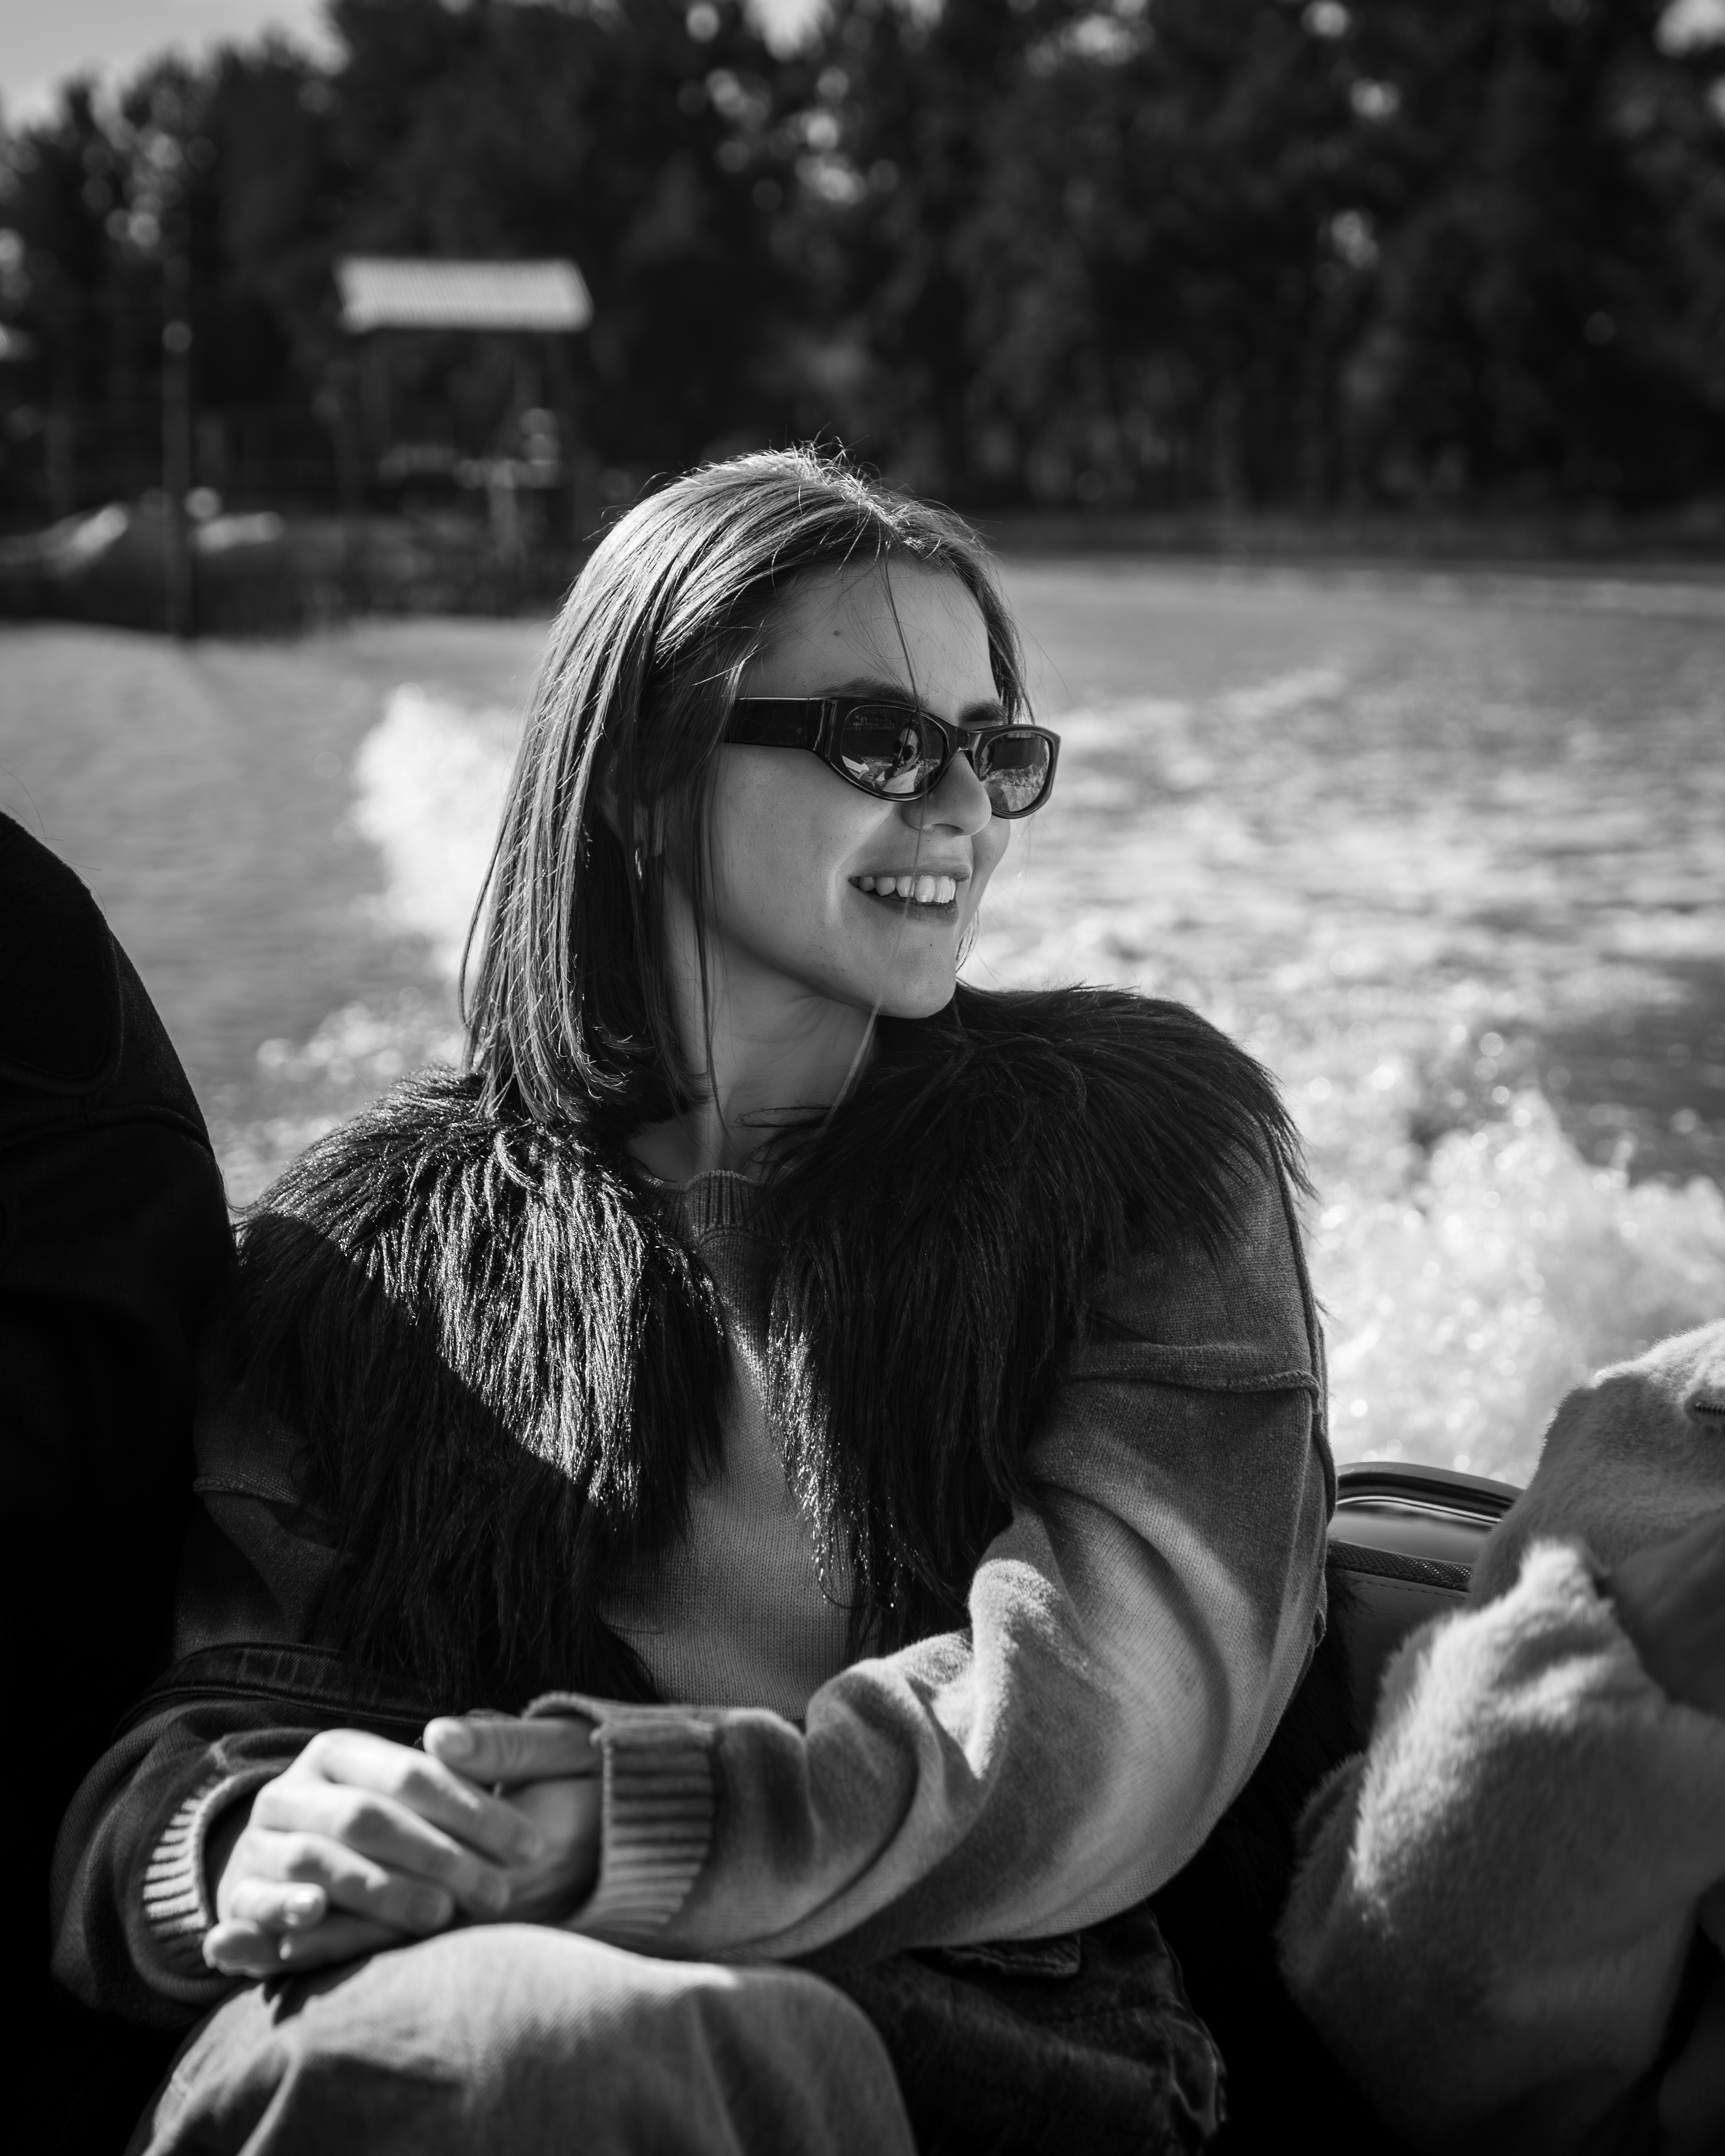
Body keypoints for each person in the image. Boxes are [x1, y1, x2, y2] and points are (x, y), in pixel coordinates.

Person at [51, 449, 1333, 2156]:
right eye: (882, 740)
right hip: (407, 1998)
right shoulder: (350, 1260)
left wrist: (627, 1827)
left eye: (997, 749)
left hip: (963, 2044)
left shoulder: (1144, 1159)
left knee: (540, 2056)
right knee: (495, 2044)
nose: (957, 804)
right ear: (644, 777)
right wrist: (236, 1841)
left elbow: (1119, 1698)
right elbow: (205, 1724)